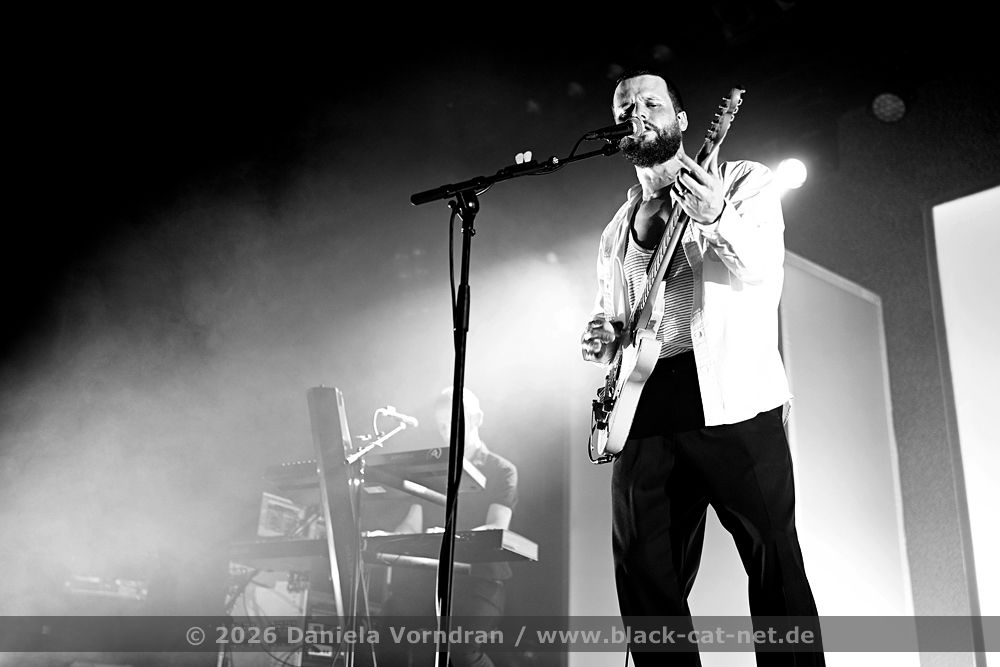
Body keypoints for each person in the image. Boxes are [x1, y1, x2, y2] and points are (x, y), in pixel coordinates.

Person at [580, 69, 824, 666]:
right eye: (624, 107)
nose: (637, 113)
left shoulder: (742, 181)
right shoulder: (615, 229)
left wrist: (716, 215)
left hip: (731, 400)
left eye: (651, 102)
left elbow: (760, 269)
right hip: (645, 408)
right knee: (644, 576)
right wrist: (605, 338)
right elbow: (623, 318)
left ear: (682, 120)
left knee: (774, 562)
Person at [379, 386, 518, 667]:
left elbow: (496, 527)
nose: (447, 432)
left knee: (461, 647)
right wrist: (384, 539)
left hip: (478, 581)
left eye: (454, 423)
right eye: (441, 426)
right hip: (430, 577)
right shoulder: (432, 470)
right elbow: (412, 524)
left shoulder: (501, 470)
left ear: (477, 418)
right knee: (388, 632)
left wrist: (450, 537)